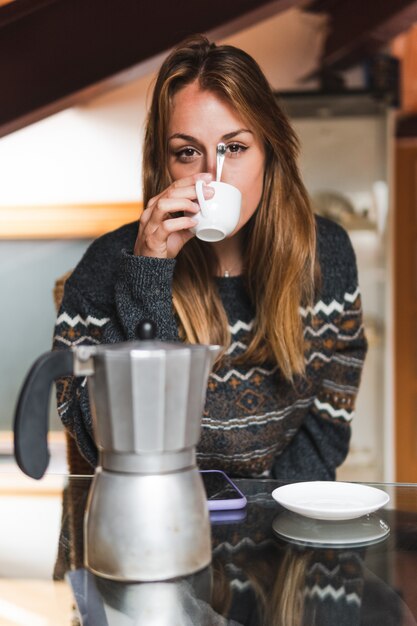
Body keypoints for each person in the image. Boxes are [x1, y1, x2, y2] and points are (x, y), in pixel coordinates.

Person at [53, 34, 367, 480]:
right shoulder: (108, 264)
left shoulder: (325, 253)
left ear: (270, 151)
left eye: (233, 148)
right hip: (151, 514)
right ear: (163, 166)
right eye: (187, 152)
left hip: (274, 524)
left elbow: (328, 420)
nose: (210, 176)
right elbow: (109, 441)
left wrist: (266, 517)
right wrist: (148, 274)